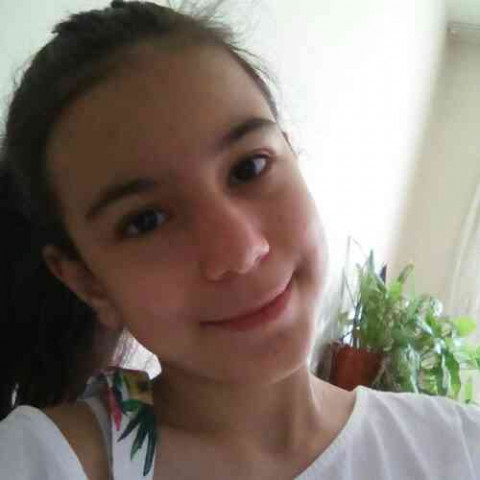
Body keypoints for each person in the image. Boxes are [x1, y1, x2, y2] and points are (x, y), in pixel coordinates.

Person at [0, 1, 479, 479]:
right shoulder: (43, 460)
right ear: (88, 282)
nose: (241, 251)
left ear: (290, 153)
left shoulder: (459, 446)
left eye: (249, 167)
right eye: (146, 221)